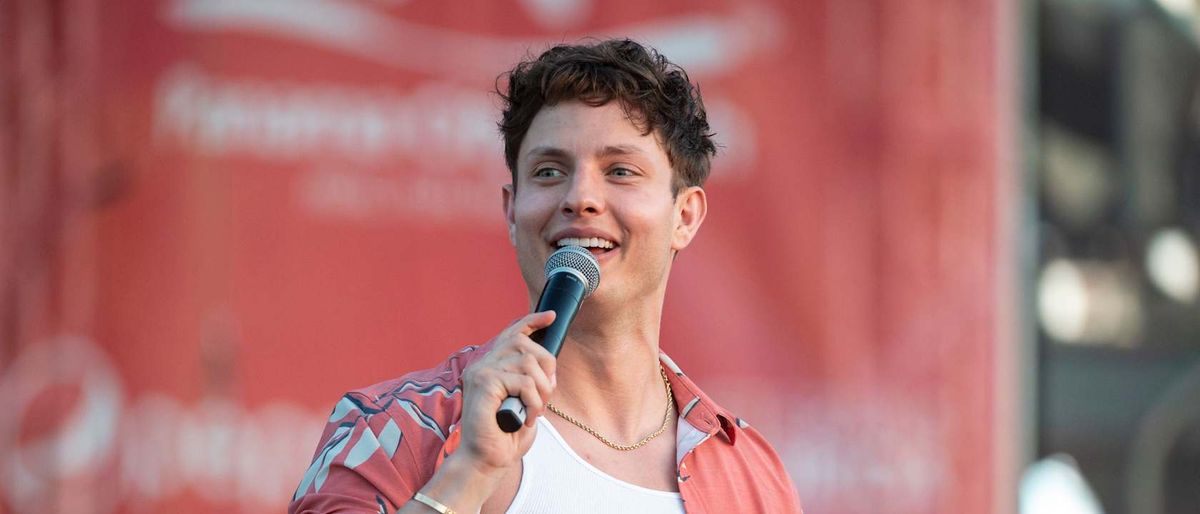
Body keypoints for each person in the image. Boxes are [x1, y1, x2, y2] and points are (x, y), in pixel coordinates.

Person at [289, 38, 803, 514]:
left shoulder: (750, 472)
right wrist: (470, 472)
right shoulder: (391, 430)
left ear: (684, 217)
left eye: (620, 171)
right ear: (512, 211)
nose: (580, 198)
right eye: (549, 172)